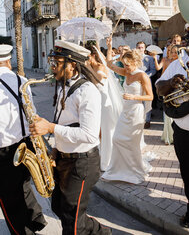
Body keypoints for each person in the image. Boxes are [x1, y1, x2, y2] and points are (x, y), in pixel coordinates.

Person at [29, 40, 112, 235]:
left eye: (57, 62)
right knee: (59, 208)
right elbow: (65, 124)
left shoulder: (88, 91)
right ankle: (100, 231)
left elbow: (90, 135)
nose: (53, 67)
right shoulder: (62, 87)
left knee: (72, 224)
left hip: (82, 163)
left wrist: (50, 127)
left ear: (72, 64)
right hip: (64, 159)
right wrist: (56, 149)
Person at [0, 44, 47, 235]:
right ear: (8, 60)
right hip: (25, 145)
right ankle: (36, 220)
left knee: (8, 198)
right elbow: (32, 113)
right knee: (23, 185)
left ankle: (23, 231)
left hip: (4, 150)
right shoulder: (22, 80)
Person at [156, 33, 189, 230]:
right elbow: (159, 88)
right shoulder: (178, 64)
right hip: (183, 131)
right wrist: (170, 83)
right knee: (188, 174)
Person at [102, 37, 153, 184]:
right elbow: (109, 65)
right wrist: (110, 46)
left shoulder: (142, 76)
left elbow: (150, 97)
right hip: (125, 112)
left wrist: (134, 96)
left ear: (136, 63)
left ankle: (134, 171)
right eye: (124, 64)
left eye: (128, 65)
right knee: (117, 139)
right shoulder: (126, 73)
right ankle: (117, 169)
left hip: (136, 112)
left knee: (132, 144)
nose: (126, 68)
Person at [86, 44, 114, 171]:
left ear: (92, 55)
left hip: (104, 102)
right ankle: (98, 156)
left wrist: (88, 68)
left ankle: (106, 159)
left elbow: (98, 80)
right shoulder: (90, 66)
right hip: (95, 102)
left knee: (104, 131)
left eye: (86, 56)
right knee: (96, 130)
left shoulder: (100, 66)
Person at [136, 41, 156, 129]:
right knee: (137, 100)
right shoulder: (134, 58)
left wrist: (144, 76)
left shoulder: (149, 58)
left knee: (147, 101)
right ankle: (138, 119)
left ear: (145, 48)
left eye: (142, 47)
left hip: (146, 80)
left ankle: (147, 120)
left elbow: (153, 70)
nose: (140, 49)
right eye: (139, 47)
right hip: (135, 81)